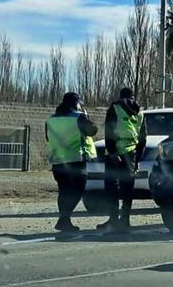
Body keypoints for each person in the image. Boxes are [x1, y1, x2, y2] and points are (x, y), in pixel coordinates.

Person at [45, 92, 98, 232]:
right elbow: (93, 130)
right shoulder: (78, 117)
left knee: (64, 191)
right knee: (78, 190)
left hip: (57, 161)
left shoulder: (51, 120)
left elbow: (47, 137)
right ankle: (64, 219)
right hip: (75, 160)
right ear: (75, 103)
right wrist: (86, 116)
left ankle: (64, 220)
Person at [98, 87, 146, 233]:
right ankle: (125, 220)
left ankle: (113, 220)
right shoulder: (140, 113)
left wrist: (112, 151)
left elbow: (109, 131)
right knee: (127, 189)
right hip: (131, 153)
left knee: (111, 187)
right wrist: (137, 160)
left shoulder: (115, 108)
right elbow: (143, 139)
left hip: (115, 153)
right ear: (133, 97)